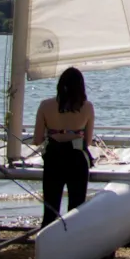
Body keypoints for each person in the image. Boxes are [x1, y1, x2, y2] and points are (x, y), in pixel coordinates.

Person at [33, 67, 95, 228]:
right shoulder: (87, 107)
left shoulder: (45, 105)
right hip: (76, 158)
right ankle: (73, 243)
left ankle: (47, 242)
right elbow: (87, 141)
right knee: (76, 208)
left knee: (50, 209)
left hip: (54, 156)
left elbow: (37, 139)